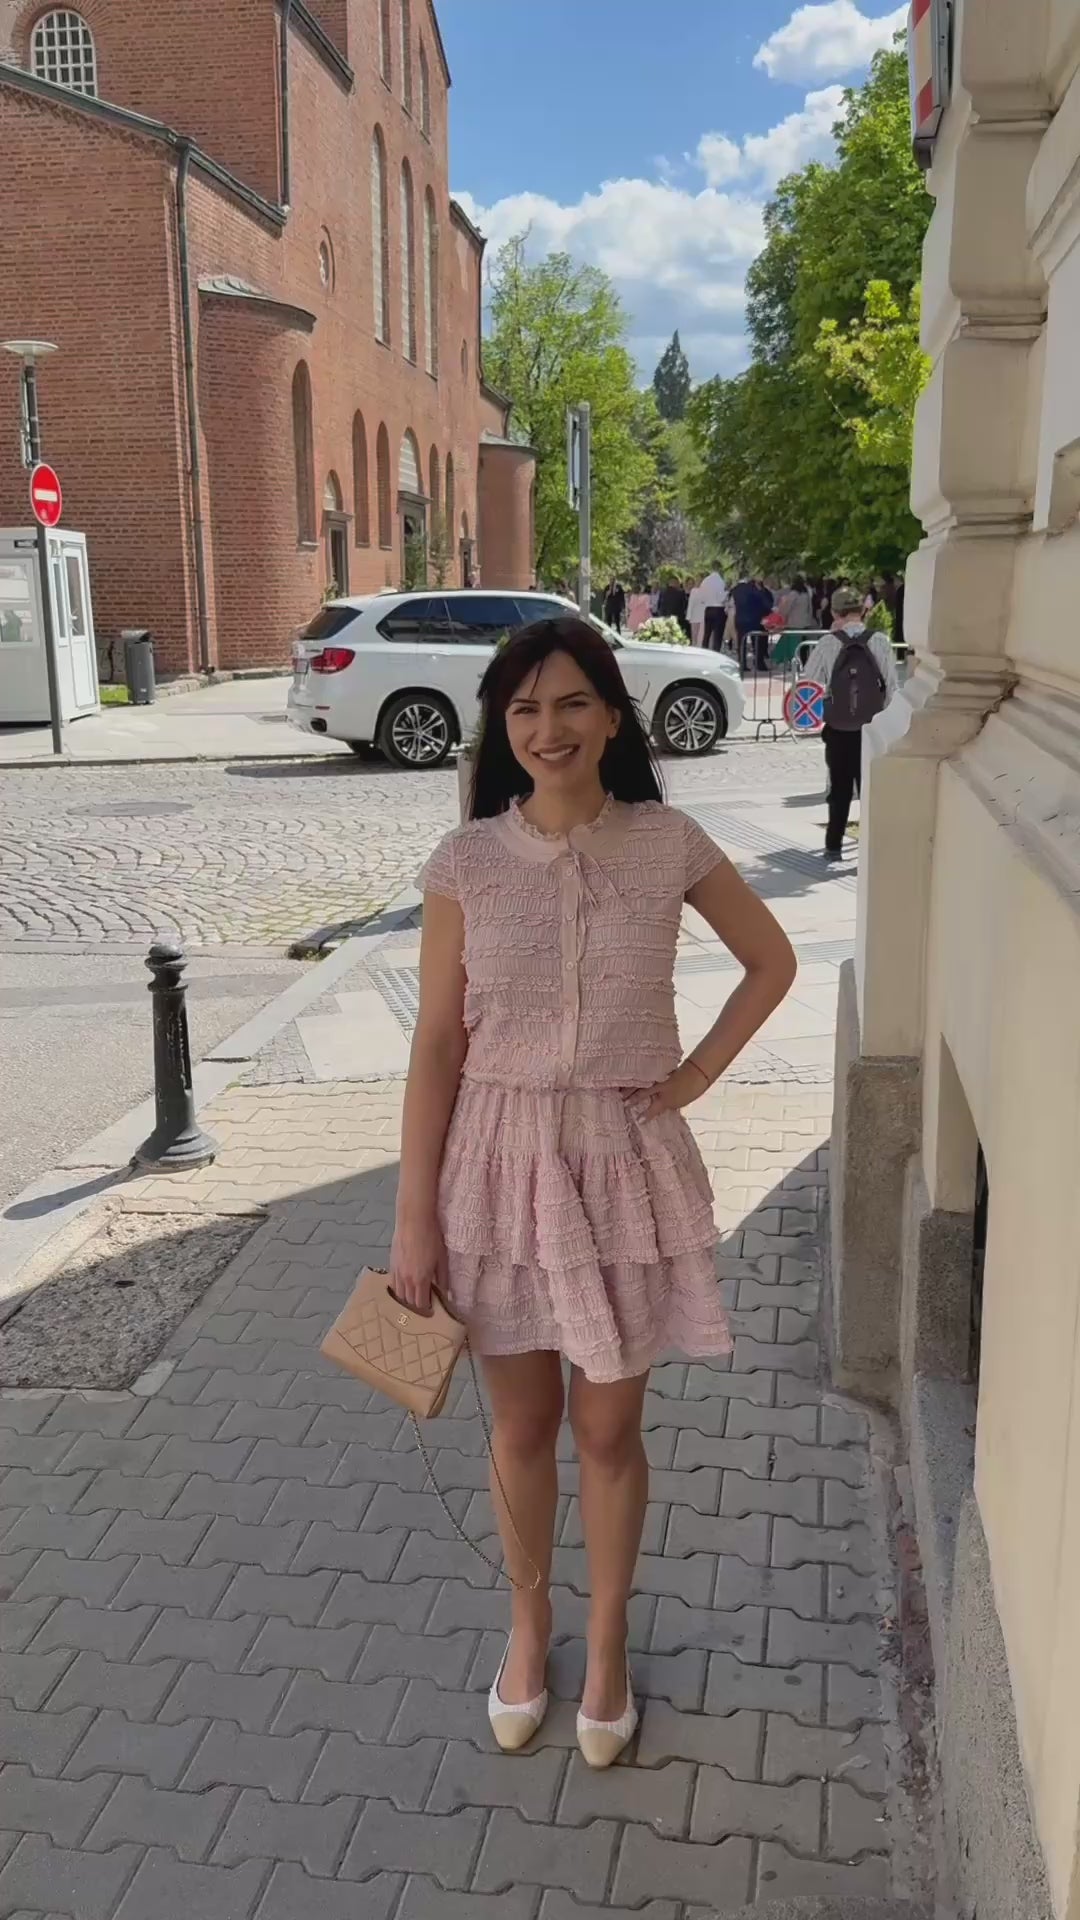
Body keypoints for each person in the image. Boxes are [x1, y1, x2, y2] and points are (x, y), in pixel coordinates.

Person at [392, 617, 796, 1766]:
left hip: (624, 1166)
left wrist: (694, 1077)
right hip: (495, 1171)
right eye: (523, 709)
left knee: (609, 1429)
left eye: (572, 702)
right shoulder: (466, 863)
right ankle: (529, 1630)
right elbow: (435, 1045)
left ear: (613, 715)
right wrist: (413, 1217)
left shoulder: (668, 843)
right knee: (521, 1423)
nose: (548, 728)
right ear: (501, 727)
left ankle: (608, 1642)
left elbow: (773, 960)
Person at [804, 585, 899, 860]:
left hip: (838, 729)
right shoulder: (880, 641)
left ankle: (833, 845)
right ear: (863, 611)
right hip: (872, 729)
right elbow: (891, 687)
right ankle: (872, 847)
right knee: (870, 789)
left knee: (840, 789)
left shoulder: (827, 643)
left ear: (835, 613)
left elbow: (810, 684)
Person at [685, 574, 708, 647]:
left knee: (700, 637)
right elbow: (691, 604)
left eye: (700, 580)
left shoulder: (706, 591)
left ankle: (699, 648)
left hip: (702, 617)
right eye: (698, 580)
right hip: (695, 617)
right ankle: (694, 647)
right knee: (694, 636)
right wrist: (688, 617)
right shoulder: (694, 590)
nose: (699, 582)